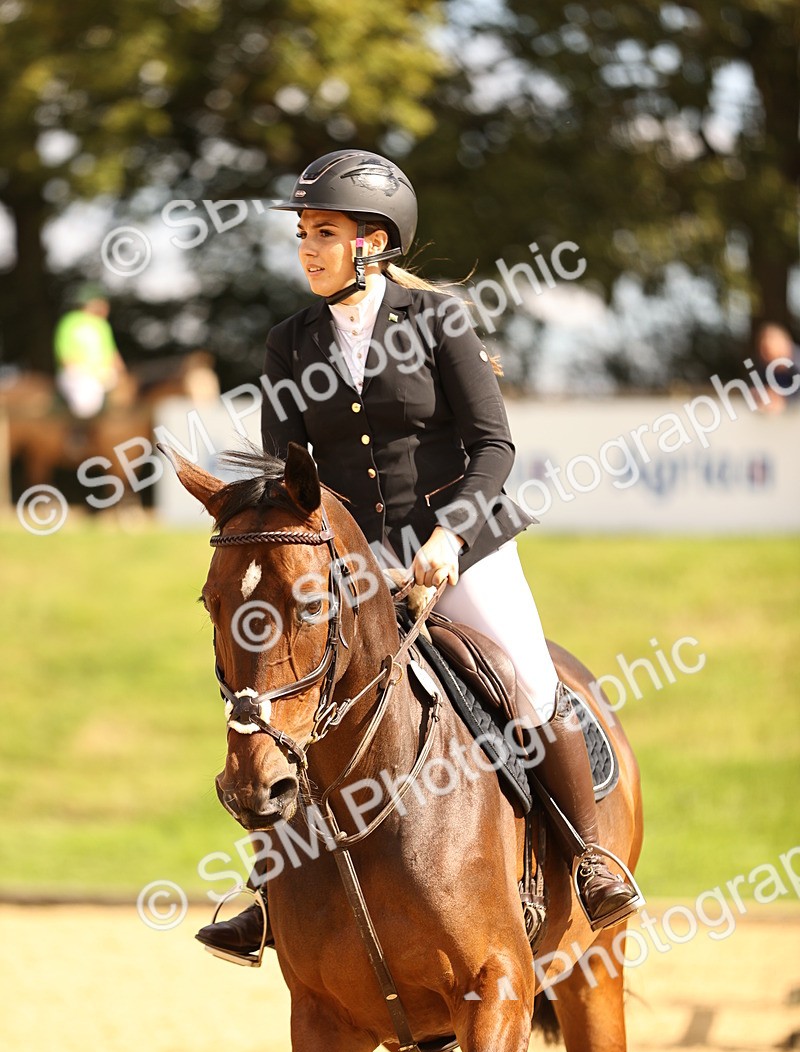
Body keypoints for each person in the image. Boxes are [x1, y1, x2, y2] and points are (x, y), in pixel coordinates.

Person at [196, 149, 642, 960]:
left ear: (373, 241)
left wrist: (449, 536)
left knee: (533, 683)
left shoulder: (440, 322)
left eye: (323, 232)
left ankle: (588, 860)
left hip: (458, 551)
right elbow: (289, 475)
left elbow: (493, 447)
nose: (308, 248)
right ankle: (270, 895)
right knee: (285, 705)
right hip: (352, 569)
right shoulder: (288, 342)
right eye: (303, 233)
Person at [53, 284, 125, 420]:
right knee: (85, 404)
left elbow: (113, 354)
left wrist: (122, 375)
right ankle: (80, 436)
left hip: (104, 375)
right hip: (79, 375)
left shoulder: (102, 325)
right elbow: (65, 357)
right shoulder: (70, 322)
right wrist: (90, 373)